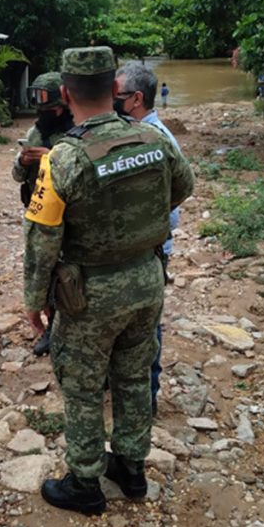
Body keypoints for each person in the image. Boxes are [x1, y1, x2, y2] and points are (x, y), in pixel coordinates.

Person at [23, 47, 195, 515]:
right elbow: (183, 187)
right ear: (115, 89)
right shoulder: (153, 140)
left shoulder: (62, 159)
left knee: (81, 386)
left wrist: (33, 301)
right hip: (146, 280)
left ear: (65, 93)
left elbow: (42, 239)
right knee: (134, 376)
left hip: (89, 295)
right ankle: (132, 469)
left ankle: (85, 482)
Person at [115, 62, 185, 416]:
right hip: (141, 248)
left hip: (151, 250)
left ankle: (148, 397)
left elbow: (178, 195)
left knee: (146, 327)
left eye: (118, 95)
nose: (112, 101)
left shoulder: (156, 140)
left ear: (136, 99)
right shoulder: (138, 135)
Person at [12, 72, 75, 357]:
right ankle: (51, 328)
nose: (46, 115)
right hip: (41, 216)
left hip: (73, 219)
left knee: (72, 277)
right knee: (44, 275)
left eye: (51, 110)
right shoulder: (35, 133)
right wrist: (23, 161)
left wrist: (51, 156)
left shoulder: (78, 130)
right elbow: (16, 176)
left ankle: (73, 328)